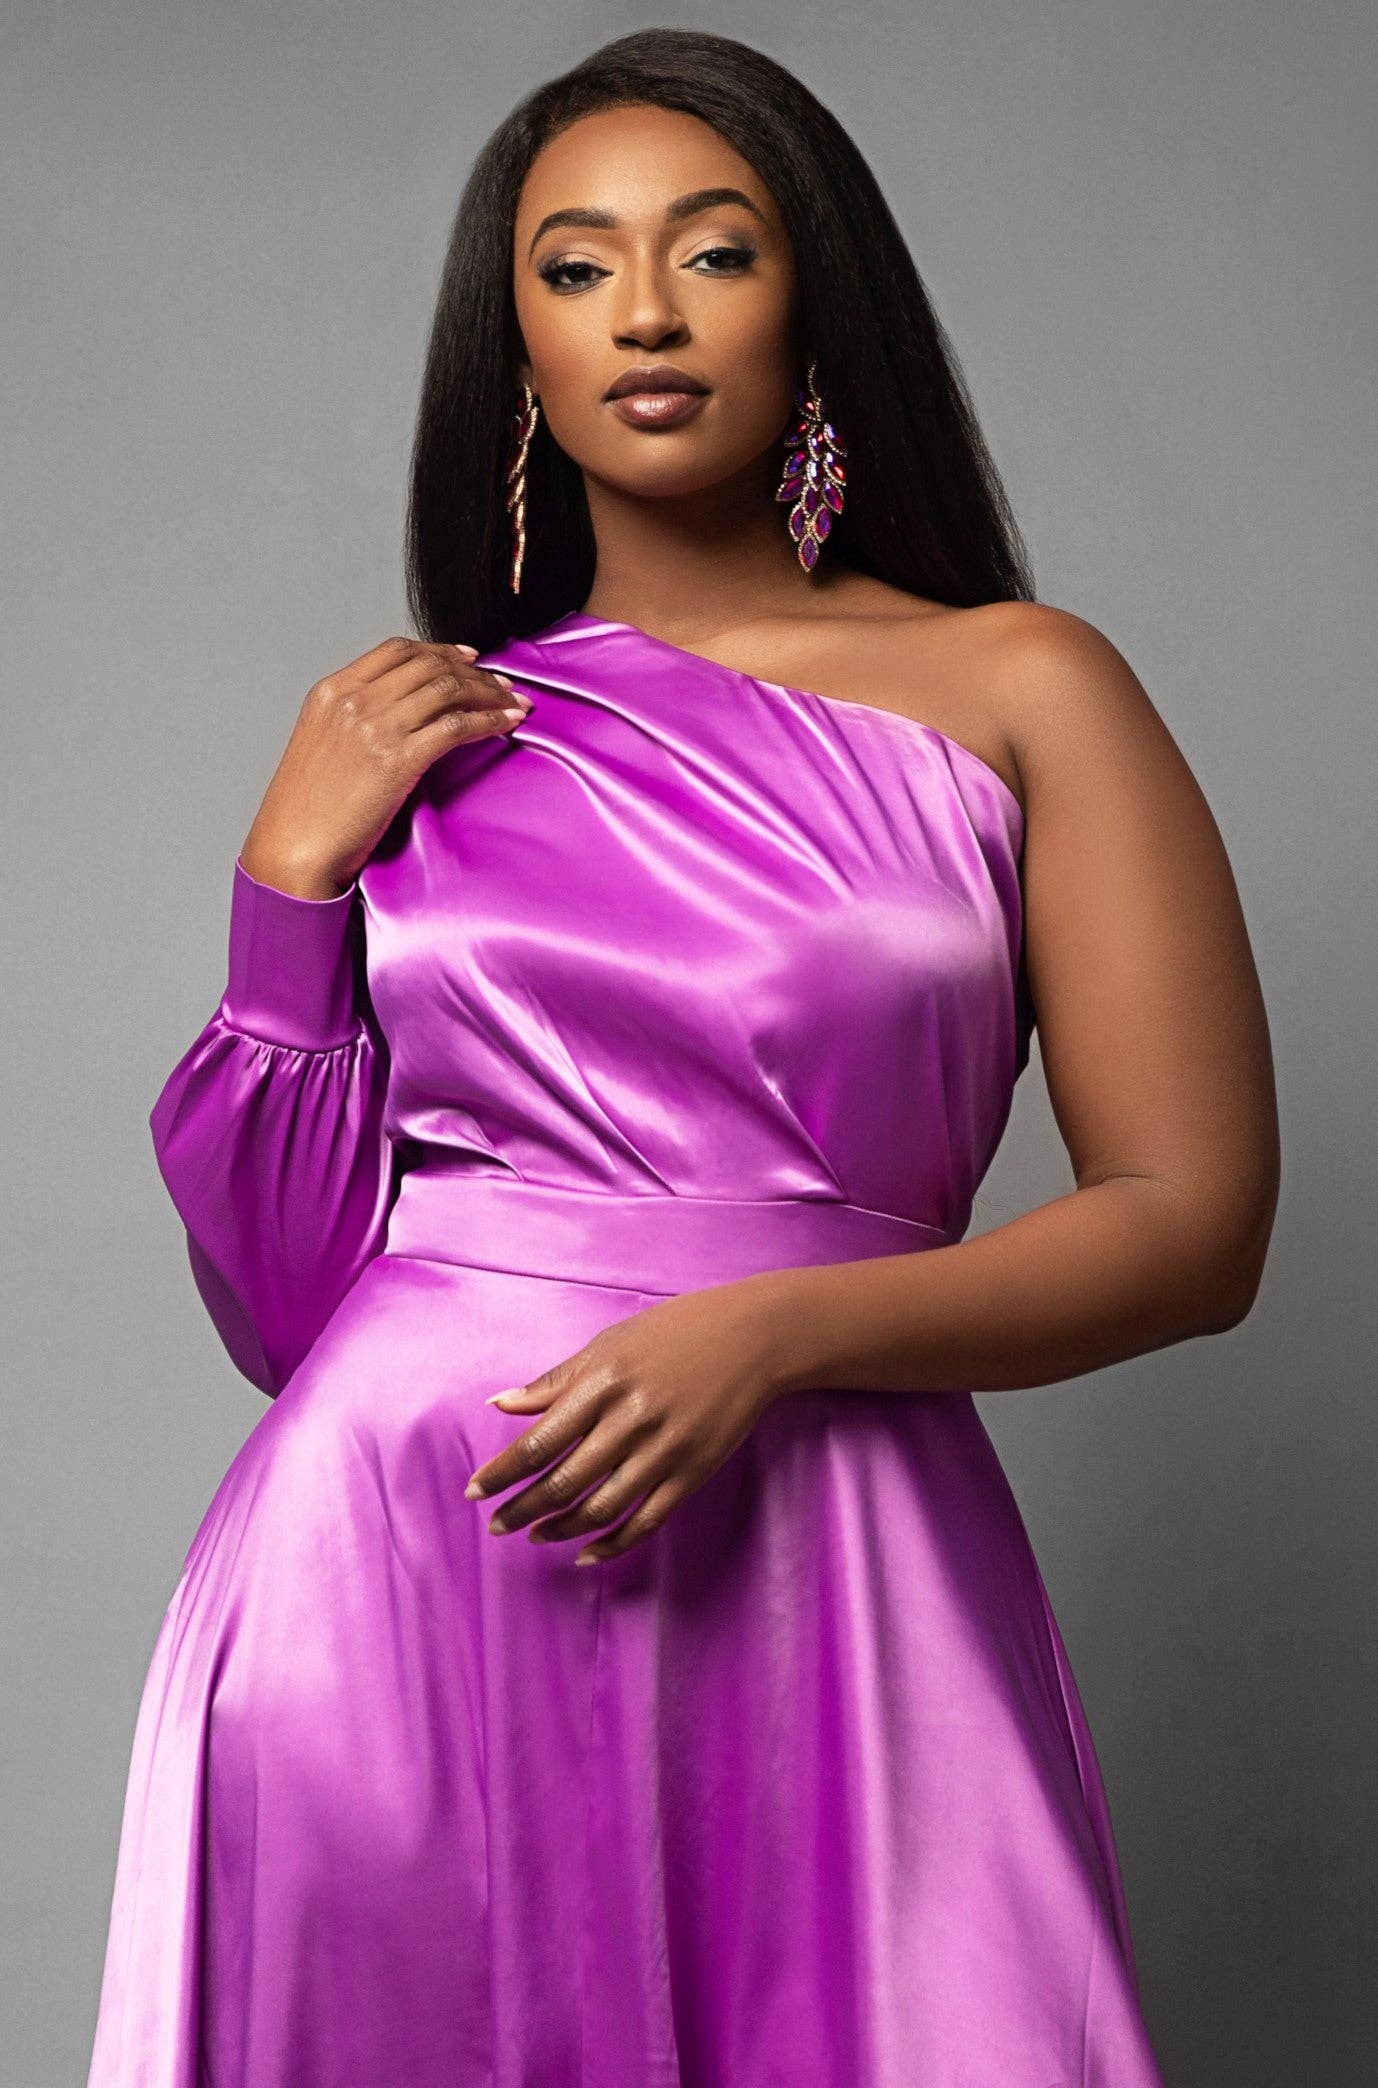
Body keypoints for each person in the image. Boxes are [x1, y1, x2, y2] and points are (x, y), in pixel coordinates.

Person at [85, 27, 1278, 2087]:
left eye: (713, 252)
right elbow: (292, 1310)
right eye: (576, 266)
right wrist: (285, 886)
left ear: (813, 306)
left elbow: (1197, 1225)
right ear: (519, 351)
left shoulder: (1020, 688)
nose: (644, 311)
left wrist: (773, 1335)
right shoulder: (430, 741)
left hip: (841, 1558)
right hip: (402, 1566)